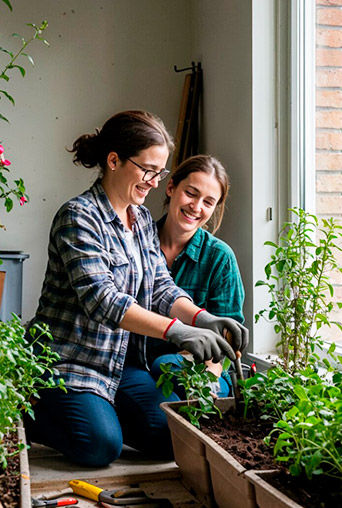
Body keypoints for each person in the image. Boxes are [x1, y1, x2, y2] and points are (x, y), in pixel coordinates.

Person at [25, 111, 250, 468]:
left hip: (120, 365)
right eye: (148, 170)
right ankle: (30, 408)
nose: (156, 183)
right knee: (100, 447)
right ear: (114, 161)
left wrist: (202, 318)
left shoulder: (141, 219)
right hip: (71, 362)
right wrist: (178, 331)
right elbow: (104, 301)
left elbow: (160, 285)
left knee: (169, 438)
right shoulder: (78, 217)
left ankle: (96, 413)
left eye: (160, 172)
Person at [147, 155, 245, 399]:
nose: (196, 207)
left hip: (203, 368)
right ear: (171, 187)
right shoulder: (139, 242)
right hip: (138, 366)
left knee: (166, 365)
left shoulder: (220, 257)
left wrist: (208, 383)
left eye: (208, 202)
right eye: (191, 193)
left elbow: (227, 339)